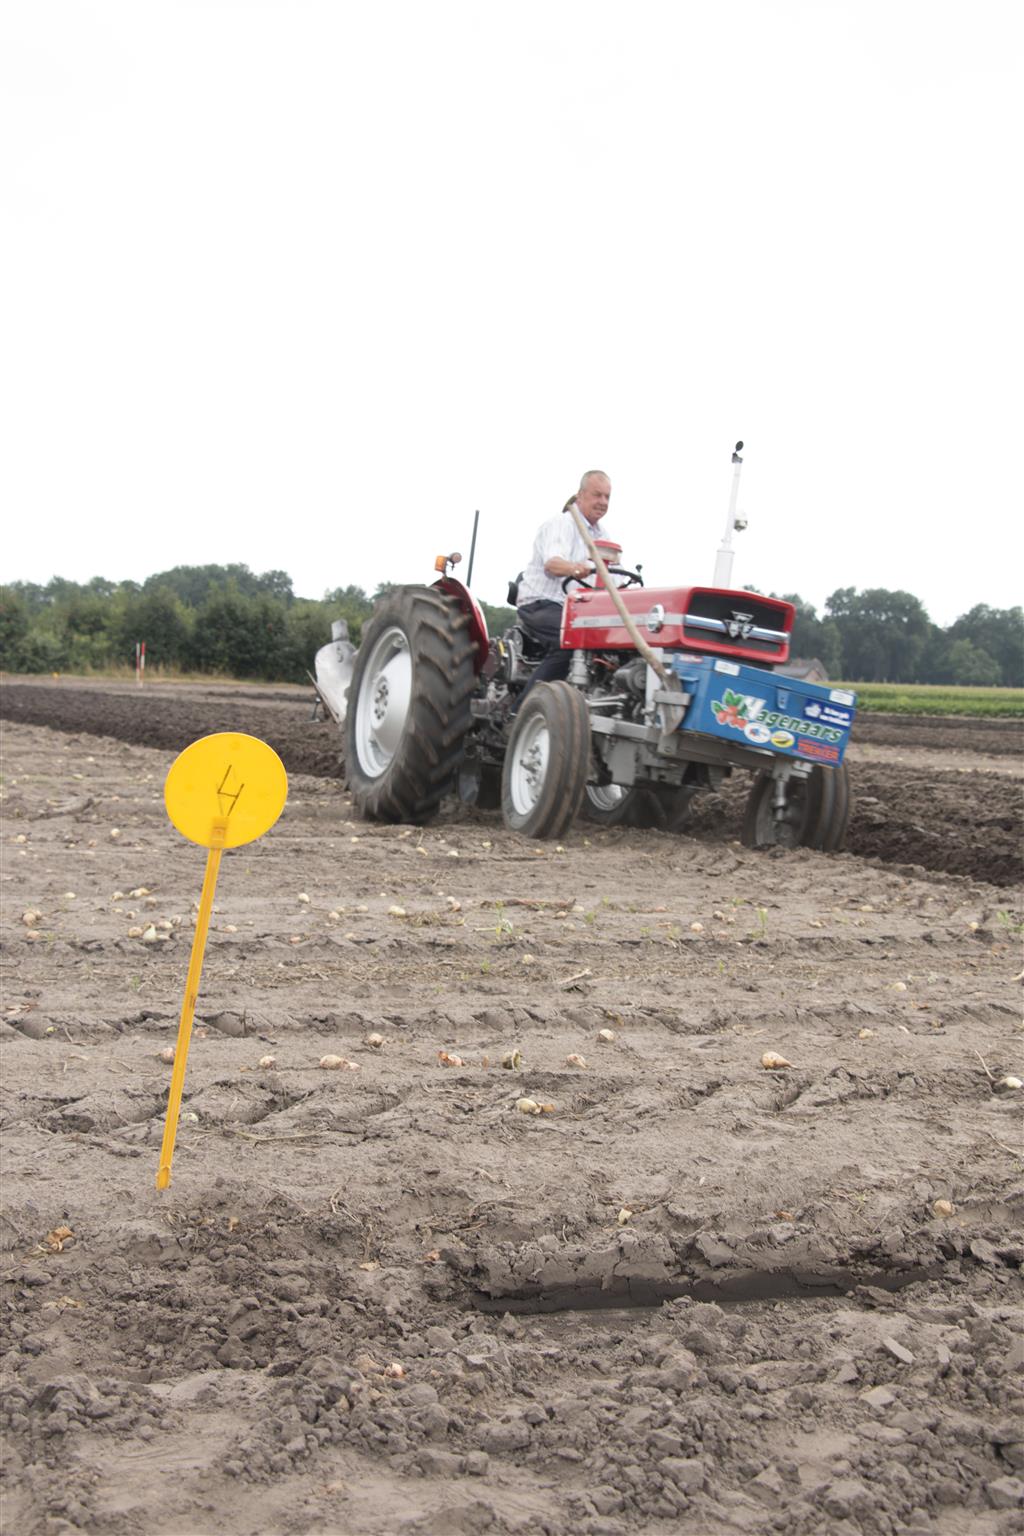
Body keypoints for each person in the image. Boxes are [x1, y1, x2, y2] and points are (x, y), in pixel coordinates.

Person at [514, 470, 612, 695]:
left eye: (607, 497)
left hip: (578, 611)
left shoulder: (604, 536)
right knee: (569, 642)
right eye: (597, 495)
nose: (603, 502)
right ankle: (525, 709)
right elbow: (553, 563)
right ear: (581, 495)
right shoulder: (561, 524)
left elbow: (613, 577)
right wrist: (576, 568)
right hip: (542, 603)